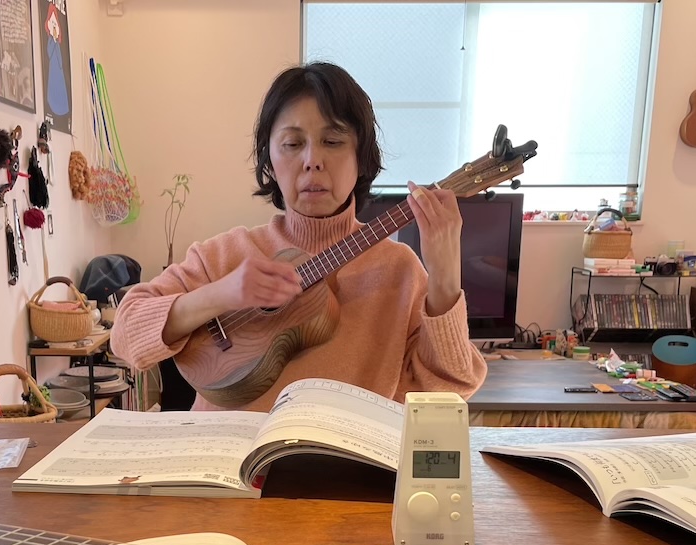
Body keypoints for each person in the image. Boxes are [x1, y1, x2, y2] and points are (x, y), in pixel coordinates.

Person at [109, 62, 486, 412]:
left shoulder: (400, 270)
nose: (312, 160)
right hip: (229, 460)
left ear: (361, 157)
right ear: (270, 162)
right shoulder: (224, 254)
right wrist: (222, 293)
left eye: (333, 141)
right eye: (292, 144)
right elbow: (125, 337)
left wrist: (445, 278)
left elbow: (448, 391)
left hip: (341, 461)